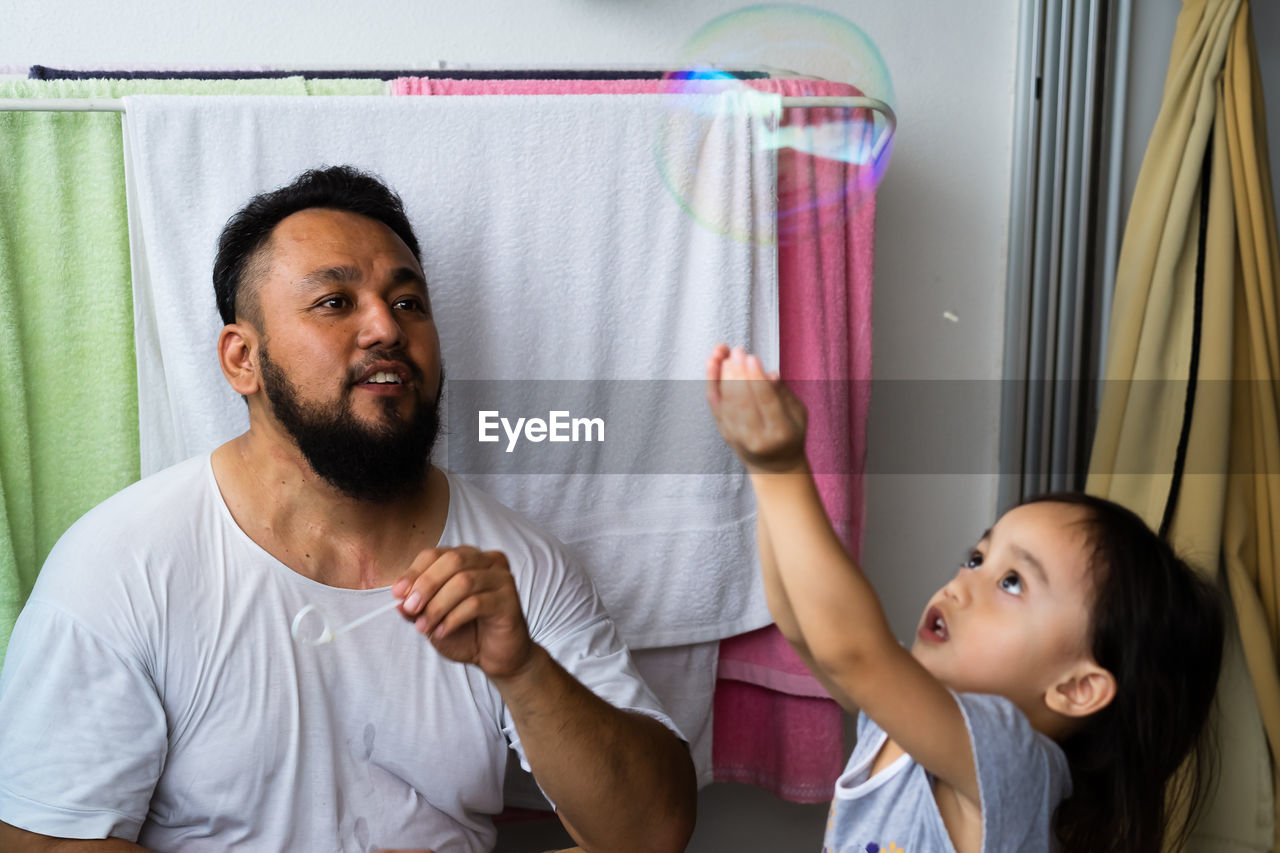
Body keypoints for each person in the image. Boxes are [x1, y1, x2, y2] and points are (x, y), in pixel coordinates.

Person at [0, 166, 696, 853]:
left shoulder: (516, 568)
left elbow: (651, 834)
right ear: (242, 359)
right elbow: (40, 842)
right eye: (335, 301)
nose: (385, 329)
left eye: (408, 302)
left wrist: (522, 668)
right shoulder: (122, 563)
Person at [704, 344, 1225, 853]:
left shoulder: (1018, 765)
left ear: (1077, 687)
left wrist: (780, 466)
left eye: (1012, 582)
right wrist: (757, 464)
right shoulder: (905, 722)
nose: (961, 583)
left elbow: (852, 652)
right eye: (976, 559)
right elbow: (801, 626)